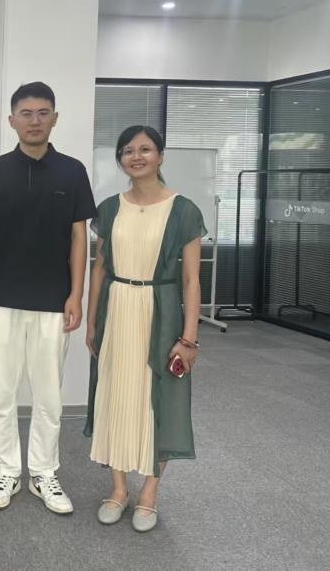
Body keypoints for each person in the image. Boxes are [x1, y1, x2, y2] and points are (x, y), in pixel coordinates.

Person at [0, 81, 96, 514]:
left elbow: (79, 238)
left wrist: (76, 295)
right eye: (26, 113)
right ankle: (7, 470)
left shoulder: (73, 171)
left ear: (55, 118)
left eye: (43, 113)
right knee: (2, 394)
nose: (35, 121)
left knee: (49, 396)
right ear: (12, 120)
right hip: (1, 299)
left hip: (54, 301)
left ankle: (44, 472)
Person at [84, 125, 204, 532]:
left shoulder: (184, 210)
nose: (136, 157)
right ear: (120, 160)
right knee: (114, 395)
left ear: (160, 156)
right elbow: (99, 269)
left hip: (161, 311)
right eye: (128, 151)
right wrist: (91, 321)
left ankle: (150, 493)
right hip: (116, 309)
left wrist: (189, 338)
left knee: (160, 401)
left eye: (145, 149)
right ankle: (118, 489)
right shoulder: (109, 208)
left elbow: (191, 280)